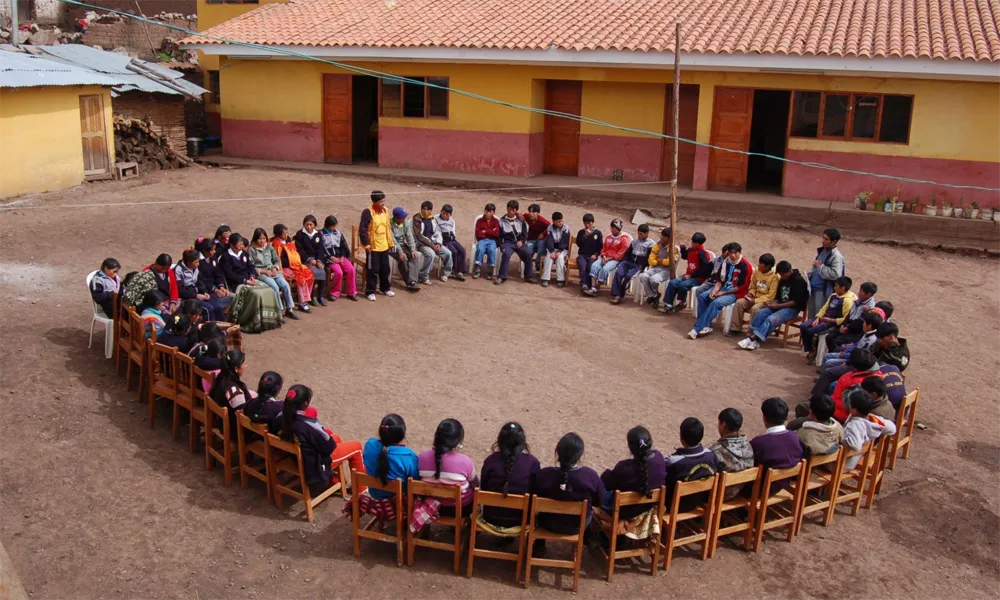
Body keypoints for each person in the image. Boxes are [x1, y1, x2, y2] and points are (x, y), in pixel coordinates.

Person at [534, 433, 604, 534]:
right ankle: (588, 540)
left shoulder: (544, 475)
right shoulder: (590, 476)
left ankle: (539, 544)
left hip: (547, 523)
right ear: (580, 455)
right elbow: (599, 502)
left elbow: (535, 496)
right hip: (577, 526)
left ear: (557, 452)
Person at [738, 261, 809, 351]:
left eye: (783, 275)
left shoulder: (799, 282)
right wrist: (772, 303)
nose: (782, 277)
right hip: (780, 304)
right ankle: (752, 336)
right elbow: (778, 297)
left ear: (789, 272)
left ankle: (753, 339)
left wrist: (778, 306)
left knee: (771, 319)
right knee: (762, 312)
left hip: (791, 309)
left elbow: (795, 302)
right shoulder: (783, 280)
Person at [480, 422, 540, 527]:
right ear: (523, 442)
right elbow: (535, 492)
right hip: (521, 520)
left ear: (499, 441)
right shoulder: (532, 463)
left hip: (490, 518)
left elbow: (483, 488)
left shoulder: (490, 461)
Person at [688, 242, 753, 340]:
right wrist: (715, 290)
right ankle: (706, 325)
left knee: (716, 302)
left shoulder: (745, 266)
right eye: (731, 253)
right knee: (703, 296)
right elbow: (719, 280)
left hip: (735, 293)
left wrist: (723, 293)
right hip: (723, 287)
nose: (732, 255)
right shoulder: (725, 262)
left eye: (735, 253)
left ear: (740, 253)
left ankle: (697, 328)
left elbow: (741, 287)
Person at [221, 234, 284, 333]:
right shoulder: (226, 257)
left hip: (250, 280)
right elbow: (229, 275)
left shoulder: (244, 254)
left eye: (242, 243)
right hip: (237, 283)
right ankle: (253, 321)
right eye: (239, 244)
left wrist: (252, 276)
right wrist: (245, 281)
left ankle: (269, 320)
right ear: (232, 245)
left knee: (269, 290)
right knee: (256, 294)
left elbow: (251, 267)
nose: (241, 245)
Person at [276, 384, 335, 489]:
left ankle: (334, 480)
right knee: (355, 446)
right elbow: (330, 447)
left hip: (291, 455)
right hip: (311, 464)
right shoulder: (308, 426)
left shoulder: (279, 417)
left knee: (327, 433)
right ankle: (359, 490)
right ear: (305, 404)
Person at [600, 426, 666, 518]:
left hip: (624, 512)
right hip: (649, 507)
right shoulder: (659, 458)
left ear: (630, 447)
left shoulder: (624, 468)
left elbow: (607, 482)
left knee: (598, 488)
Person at [417, 418, 478, 517]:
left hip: (429, 508)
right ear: (458, 441)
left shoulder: (421, 457)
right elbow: (475, 484)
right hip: (460, 509)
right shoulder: (465, 461)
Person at [362, 413, 419, 500]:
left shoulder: (370, 445)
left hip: (374, 497)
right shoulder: (409, 457)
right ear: (402, 435)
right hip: (397, 504)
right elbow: (415, 484)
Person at [799, 275, 856, 361]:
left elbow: (844, 319)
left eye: (836, 286)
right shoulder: (833, 295)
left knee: (810, 330)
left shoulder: (847, 300)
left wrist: (830, 320)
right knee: (803, 326)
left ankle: (815, 350)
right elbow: (824, 308)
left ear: (843, 288)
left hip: (831, 323)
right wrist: (818, 317)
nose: (834, 287)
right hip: (822, 319)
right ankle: (811, 349)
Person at [664, 418, 718, 508]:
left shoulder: (674, 462)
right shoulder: (711, 456)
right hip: (698, 503)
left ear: (681, 437)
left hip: (674, 506)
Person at [249, 228, 298, 320]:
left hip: (273, 271)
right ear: (255, 239)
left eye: (264, 238)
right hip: (262, 274)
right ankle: (279, 311)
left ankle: (290, 309)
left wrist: (274, 268)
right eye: (260, 239)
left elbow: (276, 260)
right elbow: (251, 267)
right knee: (274, 287)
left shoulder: (269, 247)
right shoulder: (251, 250)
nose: (262, 241)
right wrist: (265, 272)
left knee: (285, 285)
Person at [842, 388, 897, 470]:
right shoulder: (873, 421)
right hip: (854, 459)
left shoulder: (854, 425)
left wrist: (840, 438)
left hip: (842, 465)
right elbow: (893, 429)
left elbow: (855, 446)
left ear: (854, 410)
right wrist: (875, 418)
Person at [660, 232, 712, 313]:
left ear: (698, 244)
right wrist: (683, 248)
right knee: (673, 282)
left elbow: (704, 269)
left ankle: (682, 302)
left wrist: (691, 275)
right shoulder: (691, 250)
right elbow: (685, 256)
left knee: (682, 285)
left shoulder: (703, 254)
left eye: (693, 243)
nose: (691, 244)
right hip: (688, 275)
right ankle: (668, 304)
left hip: (698, 278)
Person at [727, 253, 778, 336]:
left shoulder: (774, 277)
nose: (758, 265)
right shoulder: (757, 271)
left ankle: (751, 332)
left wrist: (756, 301)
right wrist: (751, 293)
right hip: (754, 297)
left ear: (768, 266)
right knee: (739, 303)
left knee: (755, 308)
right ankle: (735, 329)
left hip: (765, 301)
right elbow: (753, 286)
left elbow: (771, 296)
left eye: (761, 264)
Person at [750, 398, 805, 471]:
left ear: (764, 418)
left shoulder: (758, 443)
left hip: (765, 482)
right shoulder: (795, 437)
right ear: (785, 418)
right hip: (790, 481)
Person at [359, 191, 396, 300]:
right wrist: (366, 244)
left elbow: (387, 228)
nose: (383, 203)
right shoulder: (368, 212)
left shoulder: (385, 210)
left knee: (385, 269)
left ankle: (385, 288)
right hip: (373, 247)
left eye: (384, 201)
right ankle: (370, 291)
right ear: (374, 202)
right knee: (373, 270)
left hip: (384, 245)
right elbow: (363, 230)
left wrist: (390, 242)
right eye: (381, 202)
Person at [270, 225, 313, 313]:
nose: (286, 235)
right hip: (285, 268)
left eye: (286, 233)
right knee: (300, 278)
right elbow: (280, 260)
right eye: (284, 234)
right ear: (278, 235)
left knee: (309, 274)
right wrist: (292, 263)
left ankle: (306, 297)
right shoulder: (276, 245)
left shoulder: (288, 239)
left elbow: (294, 251)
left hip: (295, 265)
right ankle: (302, 302)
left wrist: (296, 263)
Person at [609, 224, 655, 304]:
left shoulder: (651, 244)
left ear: (647, 233)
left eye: (641, 234)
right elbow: (628, 253)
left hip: (639, 265)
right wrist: (625, 261)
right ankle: (615, 293)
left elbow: (649, 258)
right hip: (628, 262)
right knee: (619, 273)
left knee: (627, 276)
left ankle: (620, 296)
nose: (639, 236)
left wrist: (643, 266)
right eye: (638, 233)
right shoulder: (634, 242)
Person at [831, 349, 881, 423]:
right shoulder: (875, 373)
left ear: (856, 367)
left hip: (841, 415)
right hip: (838, 404)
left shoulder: (860, 384)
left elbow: (849, 406)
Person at [584, 218, 631, 297]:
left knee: (605, 269)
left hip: (615, 260)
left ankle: (597, 287)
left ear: (619, 229)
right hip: (605, 257)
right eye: (611, 227)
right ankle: (592, 287)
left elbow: (621, 254)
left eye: (614, 228)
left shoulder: (624, 239)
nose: (612, 229)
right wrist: (604, 256)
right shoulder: (609, 237)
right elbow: (604, 249)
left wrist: (609, 258)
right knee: (594, 265)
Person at [411, 200, 453, 284]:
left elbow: (438, 232)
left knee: (448, 253)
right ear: (421, 209)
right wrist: (432, 246)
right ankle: (423, 276)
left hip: (434, 242)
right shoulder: (417, 219)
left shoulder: (433, 219)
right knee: (431, 254)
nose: (425, 212)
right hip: (422, 244)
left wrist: (438, 243)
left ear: (431, 211)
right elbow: (419, 236)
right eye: (424, 209)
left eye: (428, 210)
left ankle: (445, 273)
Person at [828, 281, 878, 352]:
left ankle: (834, 356)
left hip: (856, 331)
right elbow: (849, 314)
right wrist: (843, 325)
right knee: (829, 337)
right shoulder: (858, 300)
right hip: (848, 324)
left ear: (869, 294)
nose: (858, 293)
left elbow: (860, 322)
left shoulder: (870, 308)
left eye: (861, 292)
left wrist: (847, 327)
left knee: (837, 341)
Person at [808, 228, 846, 318]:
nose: (823, 241)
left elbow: (836, 274)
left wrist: (821, 267)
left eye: (826, 239)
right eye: (823, 238)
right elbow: (816, 266)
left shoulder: (836, 256)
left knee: (819, 316)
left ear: (834, 242)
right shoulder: (822, 250)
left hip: (823, 290)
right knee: (811, 315)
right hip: (813, 288)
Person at [319, 216, 359, 302]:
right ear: (328, 226)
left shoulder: (338, 233)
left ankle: (352, 292)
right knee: (339, 272)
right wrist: (331, 257)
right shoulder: (321, 234)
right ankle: (334, 293)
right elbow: (322, 249)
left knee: (351, 269)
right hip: (329, 259)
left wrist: (343, 257)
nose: (334, 228)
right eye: (333, 226)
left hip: (340, 257)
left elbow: (344, 247)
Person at [293, 215, 330, 306]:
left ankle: (320, 296)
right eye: (307, 225)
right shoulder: (300, 234)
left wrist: (319, 261)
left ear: (315, 225)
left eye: (311, 224)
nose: (309, 227)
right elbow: (300, 249)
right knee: (312, 272)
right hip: (305, 259)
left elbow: (321, 249)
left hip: (316, 258)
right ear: (304, 225)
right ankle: (312, 296)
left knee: (322, 270)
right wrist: (309, 260)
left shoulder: (318, 234)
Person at [636, 228, 678, 308]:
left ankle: (653, 296)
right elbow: (651, 260)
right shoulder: (657, 246)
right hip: (656, 268)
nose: (661, 237)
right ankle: (654, 295)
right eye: (661, 235)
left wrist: (660, 261)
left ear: (669, 238)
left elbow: (671, 262)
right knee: (642, 276)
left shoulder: (674, 249)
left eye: (664, 236)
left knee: (654, 279)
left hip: (667, 270)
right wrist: (659, 262)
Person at [194, 238, 234, 319]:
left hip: (216, 287)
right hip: (206, 290)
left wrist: (221, 286)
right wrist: (214, 289)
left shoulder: (213, 257)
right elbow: (201, 280)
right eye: (212, 250)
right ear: (205, 251)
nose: (215, 252)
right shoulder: (198, 262)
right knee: (217, 305)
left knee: (233, 297)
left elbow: (218, 273)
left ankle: (225, 317)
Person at [495, 199, 533, 285]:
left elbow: (525, 234)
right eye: (509, 209)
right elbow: (499, 235)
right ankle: (502, 276)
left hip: (519, 242)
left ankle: (528, 276)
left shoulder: (521, 220)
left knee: (527, 253)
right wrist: (501, 245)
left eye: (513, 210)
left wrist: (522, 241)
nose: (510, 212)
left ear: (516, 210)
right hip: (508, 242)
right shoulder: (502, 221)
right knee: (506, 254)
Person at [709, 408, 754, 473]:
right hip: (746, 482)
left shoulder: (715, 451)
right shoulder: (748, 445)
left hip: (726, 483)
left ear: (723, 424)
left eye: (719, 422)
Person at [388, 206, 422, 291]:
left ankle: (413, 281)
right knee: (402, 259)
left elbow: (409, 236)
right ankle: (409, 282)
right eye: (402, 218)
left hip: (402, 245)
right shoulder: (389, 224)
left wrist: (413, 249)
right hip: (391, 247)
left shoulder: (405, 223)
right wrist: (400, 252)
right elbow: (393, 240)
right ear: (396, 218)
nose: (404, 219)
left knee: (414, 256)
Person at [436, 204, 468, 281]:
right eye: (443, 213)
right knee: (453, 251)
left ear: (450, 215)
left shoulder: (451, 220)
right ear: (441, 212)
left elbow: (453, 230)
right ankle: (452, 271)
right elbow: (436, 232)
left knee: (462, 250)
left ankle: (459, 271)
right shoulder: (436, 219)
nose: (444, 215)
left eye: (447, 214)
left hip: (452, 239)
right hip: (444, 241)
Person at [540, 212, 571, 288]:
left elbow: (565, 241)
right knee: (549, 258)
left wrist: (559, 251)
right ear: (553, 221)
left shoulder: (565, 228)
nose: (560, 223)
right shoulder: (550, 228)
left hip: (562, 249)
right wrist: (552, 251)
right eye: (558, 221)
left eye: (561, 221)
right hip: (552, 248)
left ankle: (561, 280)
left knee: (560, 258)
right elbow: (549, 240)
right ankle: (545, 278)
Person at [575, 214, 603, 292]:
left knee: (591, 266)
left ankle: (590, 286)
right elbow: (579, 244)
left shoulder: (598, 233)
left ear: (593, 222)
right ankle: (583, 284)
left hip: (592, 256)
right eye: (585, 223)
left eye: (589, 223)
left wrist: (596, 254)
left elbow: (600, 247)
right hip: (582, 255)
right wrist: (585, 235)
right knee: (583, 266)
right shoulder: (581, 232)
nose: (587, 225)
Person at [473, 203, 500, 280]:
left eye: (490, 212)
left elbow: (497, 233)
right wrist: (491, 231)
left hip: (492, 241)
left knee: (491, 250)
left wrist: (486, 231)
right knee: (480, 249)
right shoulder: (479, 221)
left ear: (493, 213)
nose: (488, 213)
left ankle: (489, 269)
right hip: (482, 240)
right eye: (486, 211)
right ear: (484, 211)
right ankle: (478, 268)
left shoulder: (496, 221)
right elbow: (478, 233)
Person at [523, 203, 551, 275]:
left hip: (539, 240)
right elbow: (518, 215)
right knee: (528, 251)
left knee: (541, 247)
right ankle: (529, 267)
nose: (530, 214)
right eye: (529, 211)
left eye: (533, 212)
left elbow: (550, 226)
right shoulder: (526, 216)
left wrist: (543, 234)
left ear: (538, 213)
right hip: (530, 240)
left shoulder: (542, 221)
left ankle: (538, 264)